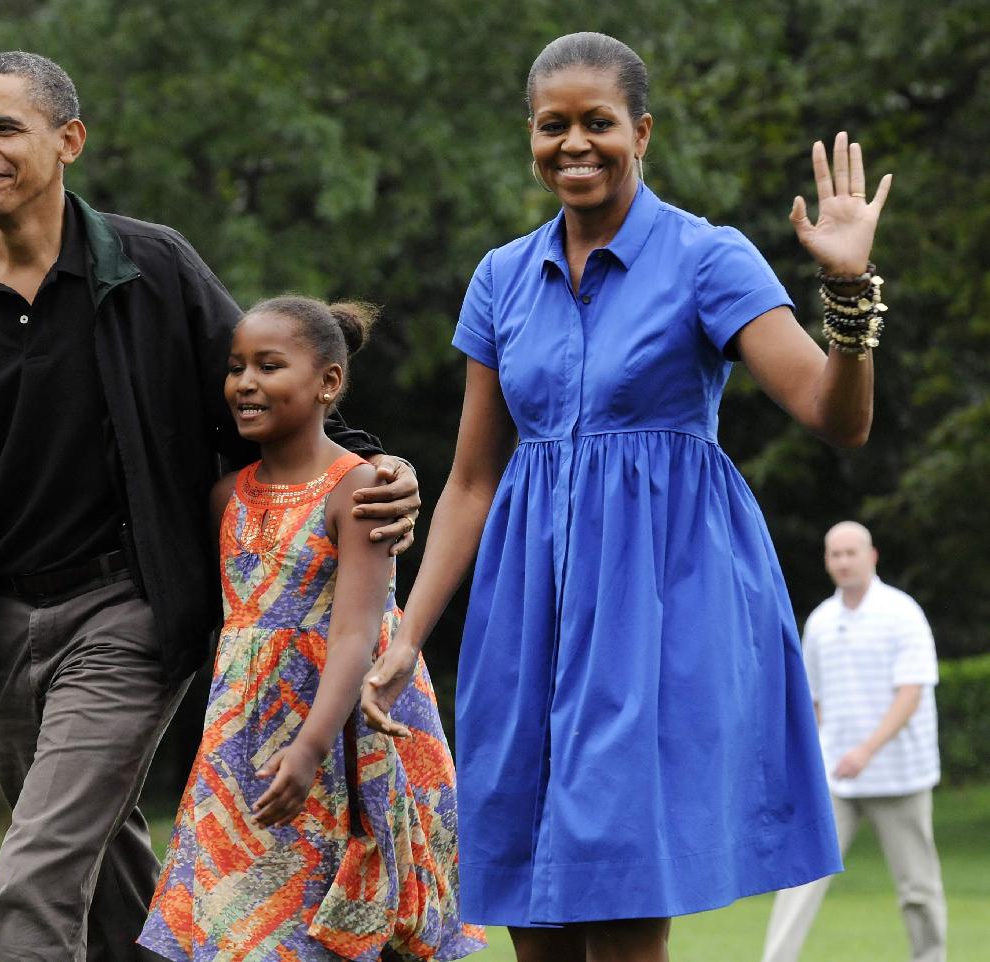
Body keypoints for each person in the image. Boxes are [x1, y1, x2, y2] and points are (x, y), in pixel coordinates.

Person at [0, 52, 420, 962]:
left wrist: (366, 470)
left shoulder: (149, 267)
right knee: (96, 867)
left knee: (36, 870)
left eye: (1, 127)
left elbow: (257, 393)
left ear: (69, 141)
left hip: (130, 609)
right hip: (1, 624)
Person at [360, 31, 893, 962]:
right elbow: (473, 481)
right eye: (551, 126)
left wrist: (846, 291)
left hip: (656, 600)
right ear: (529, 135)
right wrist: (406, 635)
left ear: (639, 131)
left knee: (617, 880)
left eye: (597, 123)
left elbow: (832, 415)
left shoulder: (704, 257)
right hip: (526, 610)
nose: (574, 144)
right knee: (522, 877)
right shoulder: (499, 278)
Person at [135, 297, 484, 961]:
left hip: (349, 743)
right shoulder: (223, 497)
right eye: (236, 368)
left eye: (269, 366)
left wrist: (310, 747)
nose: (245, 383)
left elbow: (355, 633)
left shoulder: (360, 490)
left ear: (328, 382)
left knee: (355, 930)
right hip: (246, 748)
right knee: (244, 929)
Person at [761, 521, 945, 962]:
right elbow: (816, 702)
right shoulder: (822, 621)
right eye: (835, 554)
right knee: (802, 877)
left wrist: (867, 750)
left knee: (918, 888)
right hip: (835, 780)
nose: (843, 561)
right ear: (827, 561)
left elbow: (911, 693)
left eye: (851, 552)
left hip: (901, 776)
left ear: (871, 556)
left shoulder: (902, 612)